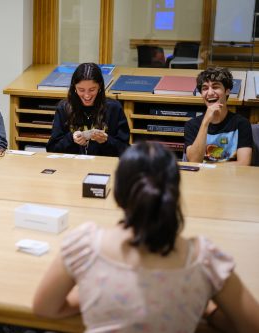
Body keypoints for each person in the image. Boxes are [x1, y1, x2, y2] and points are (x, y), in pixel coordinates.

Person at [33, 142, 259, 332]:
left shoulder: (84, 245)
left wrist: (93, 294)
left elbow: (45, 308)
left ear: (119, 195)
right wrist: (207, 309)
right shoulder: (206, 260)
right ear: (175, 193)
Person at [46, 62, 129, 156]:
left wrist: (106, 140)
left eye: (92, 90)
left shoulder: (114, 108)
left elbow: (126, 151)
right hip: (71, 167)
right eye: (81, 90)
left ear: (100, 87)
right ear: (74, 88)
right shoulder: (64, 108)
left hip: (103, 167)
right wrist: (71, 139)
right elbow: (51, 149)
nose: (87, 95)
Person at [185, 67, 253, 165]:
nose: (210, 93)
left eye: (215, 87)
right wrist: (205, 123)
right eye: (205, 88)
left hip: (231, 178)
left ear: (227, 91)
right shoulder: (192, 125)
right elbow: (194, 161)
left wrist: (209, 167)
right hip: (201, 179)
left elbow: (244, 163)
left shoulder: (241, 124)